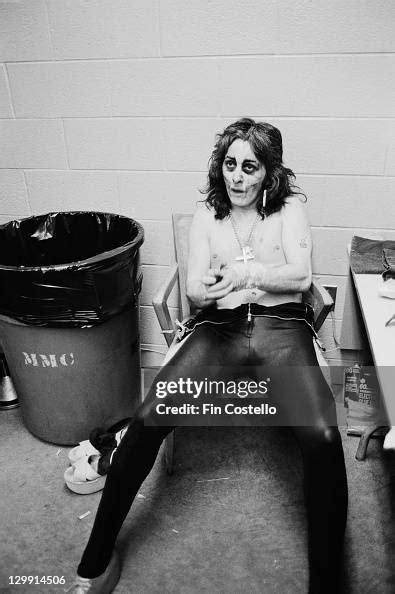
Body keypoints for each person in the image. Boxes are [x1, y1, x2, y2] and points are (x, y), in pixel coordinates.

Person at [70, 118, 348, 593]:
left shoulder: (290, 210)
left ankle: (326, 582)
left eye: (249, 167)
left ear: (268, 172)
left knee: (323, 436)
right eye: (229, 164)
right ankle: (95, 562)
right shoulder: (207, 216)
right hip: (217, 329)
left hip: (282, 330)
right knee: (146, 421)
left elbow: (301, 277)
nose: (236, 177)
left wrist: (246, 277)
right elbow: (197, 287)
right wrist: (207, 287)